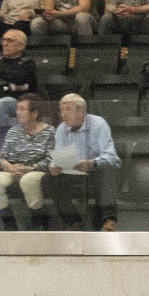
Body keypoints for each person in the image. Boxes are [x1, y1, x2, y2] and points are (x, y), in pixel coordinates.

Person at [40, 93, 121, 231]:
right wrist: (54, 166)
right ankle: (73, 222)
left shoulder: (98, 124)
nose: (63, 114)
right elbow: (59, 157)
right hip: (74, 173)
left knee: (108, 169)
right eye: (61, 110)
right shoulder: (61, 129)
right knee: (48, 179)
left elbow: (111, 157)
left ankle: (109, 220)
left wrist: (91, 163)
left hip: (96, 171)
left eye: (68, 109)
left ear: (81, 110)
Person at [0, 94, 54, 230]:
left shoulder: (49, 132)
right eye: (17, 109)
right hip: (14, 170)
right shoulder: (13, 131)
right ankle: (9, 224)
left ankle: (38, 222)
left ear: (34, 113)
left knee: (28, 179)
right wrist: (11, 168)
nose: (17, 112)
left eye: (22, 109)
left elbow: (50, 160)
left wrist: (29, 169)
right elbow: (2, 158)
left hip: (38, 171)